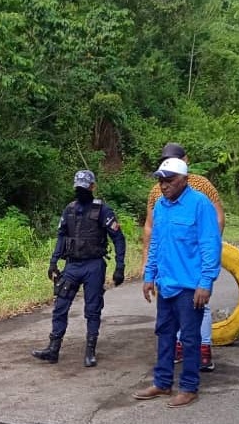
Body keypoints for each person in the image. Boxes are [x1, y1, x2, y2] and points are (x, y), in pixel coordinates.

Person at [133, 157, 222, 408]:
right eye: (161, 181)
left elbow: (210, 245)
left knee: (190, 338)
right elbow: (156, 245)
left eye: (169, 180)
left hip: (190, 287)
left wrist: (205, 283)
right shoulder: (161, 206)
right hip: (166, 284)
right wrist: (149, 276)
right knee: (164, 334)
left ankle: (188, 387)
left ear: (184, 179)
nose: (163, 185)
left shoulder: (199, 205)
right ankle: (162, 383)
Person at [31, 169, 126, 367]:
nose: (81, 191)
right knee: (60, 307)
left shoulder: (103, 211)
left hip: (94, 265)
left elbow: (118, 238)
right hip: (72, 265)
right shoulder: (70, 209)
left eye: (84, 187)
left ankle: (90, 351)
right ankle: (53, 349)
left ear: (93, 187)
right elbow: (61, 237)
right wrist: (53, 262)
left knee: (92, 309)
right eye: (78, 188)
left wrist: (120, 266)